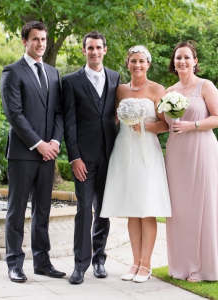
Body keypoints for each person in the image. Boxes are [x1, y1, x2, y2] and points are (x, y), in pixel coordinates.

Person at [0, 21, 65, 283]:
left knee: (43, 210)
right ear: (25, 42)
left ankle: (42, 261)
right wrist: (39, 144)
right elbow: (14, 114)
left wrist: (55, 142)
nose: (40, 44)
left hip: (49, 153)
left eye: (43, 39)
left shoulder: (53, 72)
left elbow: (59, 112)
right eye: (35, 39)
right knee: (17, 211)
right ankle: (14, 263)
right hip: (24, 153)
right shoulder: (12, 72)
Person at [100, 45, 171, 283]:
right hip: (124, 150)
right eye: (133, 61)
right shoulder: (119, 90)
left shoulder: (157, 89)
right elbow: (111, 119)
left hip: (146, 152)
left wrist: (146, 126)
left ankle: (146, 264)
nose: (137, 65)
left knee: (146, 208)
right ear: (127, 64)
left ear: (148, 64)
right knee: (132, 209)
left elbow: (166, 124)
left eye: (141, 61)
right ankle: (134, 261)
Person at [164, 41, 218, 282]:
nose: (181, 61)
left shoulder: (205, 86)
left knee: (202, 207)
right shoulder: (169, 91)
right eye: (178, 57)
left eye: (186, 57)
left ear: (195, 61)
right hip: (176, 153)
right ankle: (182, 265)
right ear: (173, 62)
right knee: (180, 209)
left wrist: (192, 125)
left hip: (201, 150)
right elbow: (165, 123)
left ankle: (202, 268)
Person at [62, 31, 120, 285]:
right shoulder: (71, 81)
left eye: (98, 48)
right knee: (84, 210)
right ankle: (80, 265)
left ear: (105, 50)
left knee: (104, 211)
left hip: (110, 156)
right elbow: (69, 123)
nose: (94, 52)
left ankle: (99, 260)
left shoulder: (117, 79)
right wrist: (74, 157)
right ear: (83, 51)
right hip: (84, 159)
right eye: (90, 48)